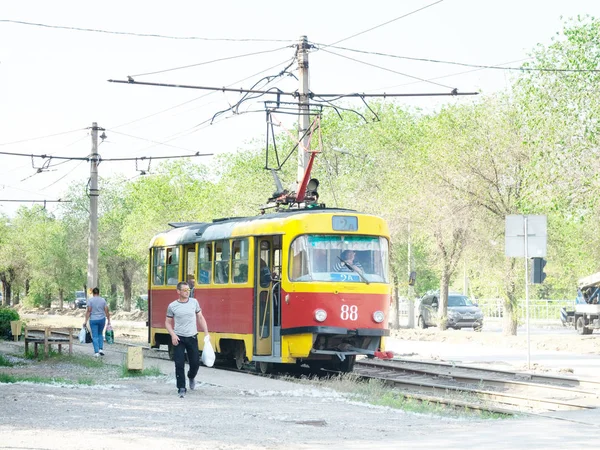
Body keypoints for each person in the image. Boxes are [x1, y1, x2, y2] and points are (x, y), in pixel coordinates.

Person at [165, 281, 209, 398]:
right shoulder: (172, 306)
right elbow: (168, 323)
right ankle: (181, 388)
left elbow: (200, 317)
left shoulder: (194, 302)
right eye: (184, 290)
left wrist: (206, 332)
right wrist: (173, 335)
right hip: (178, 338)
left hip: (192, 336)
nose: (187, 292)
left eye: (188, 290)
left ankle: (191, 376)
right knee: (179, 363)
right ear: (178, 292)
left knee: (195, 362)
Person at [84, 287, 110, 357]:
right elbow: (106, 310)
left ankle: (96, 352)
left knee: (95, 336)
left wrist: (85, 321)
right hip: (102, 319)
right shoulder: (103, 300)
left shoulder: (90, 300)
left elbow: (89, 311)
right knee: (100, 334)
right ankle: (101, 349)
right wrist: (109, 319)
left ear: (93, 293)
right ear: (99, 293)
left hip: (93, 320)